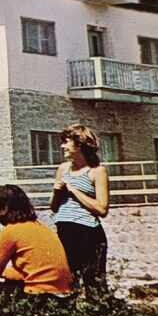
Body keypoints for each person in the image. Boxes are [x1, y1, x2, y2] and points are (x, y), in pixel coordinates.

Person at [0, 184, 72, 301]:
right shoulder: (43, 228)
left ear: (4, 210)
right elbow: (25, 275)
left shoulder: (10, 231)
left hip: (37, 296)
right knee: (10, 281)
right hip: (61, 296)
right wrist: (4, 273)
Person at [50, 123, 110, 292]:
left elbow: (102, 209)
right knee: (68, 282)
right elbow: (54, 207)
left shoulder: (97, 172)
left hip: (87, 233)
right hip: (64, 230)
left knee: (94, 284)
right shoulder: (62, 169)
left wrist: (74, 191)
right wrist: (57, 192)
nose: (63, 146)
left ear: (80, 144)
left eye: (67, 142)